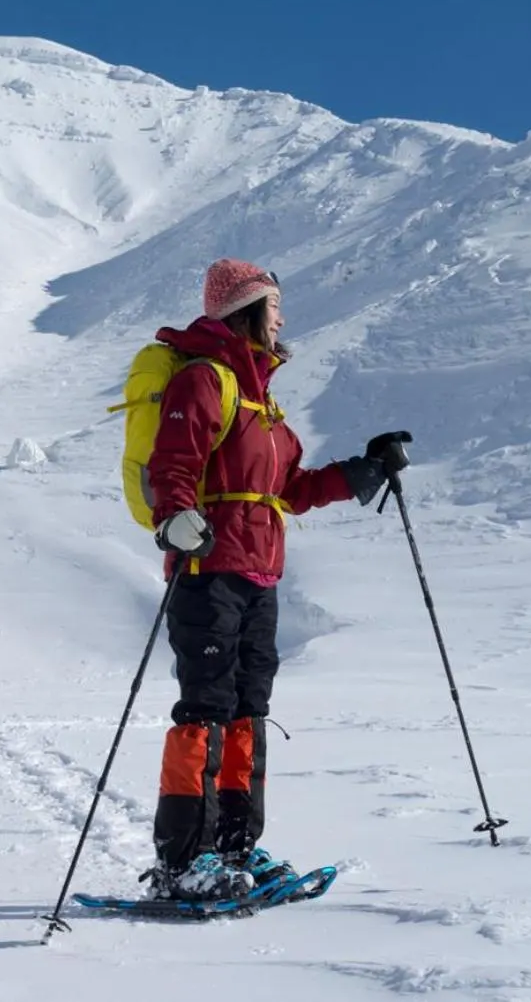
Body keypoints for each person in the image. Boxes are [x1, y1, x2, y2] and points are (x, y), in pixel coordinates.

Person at [142, 257, 407, 901]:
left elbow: (290, 489)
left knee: (247, 712)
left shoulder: (261, 400)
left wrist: (362, 472)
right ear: (247, 311)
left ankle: (235, 849)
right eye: (275, 307)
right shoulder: (204, 380)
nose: (283, 319)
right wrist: (175, 517)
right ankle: (184, 863)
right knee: (205, 711)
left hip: (259, 574)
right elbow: (172, 464)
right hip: (207, 569)